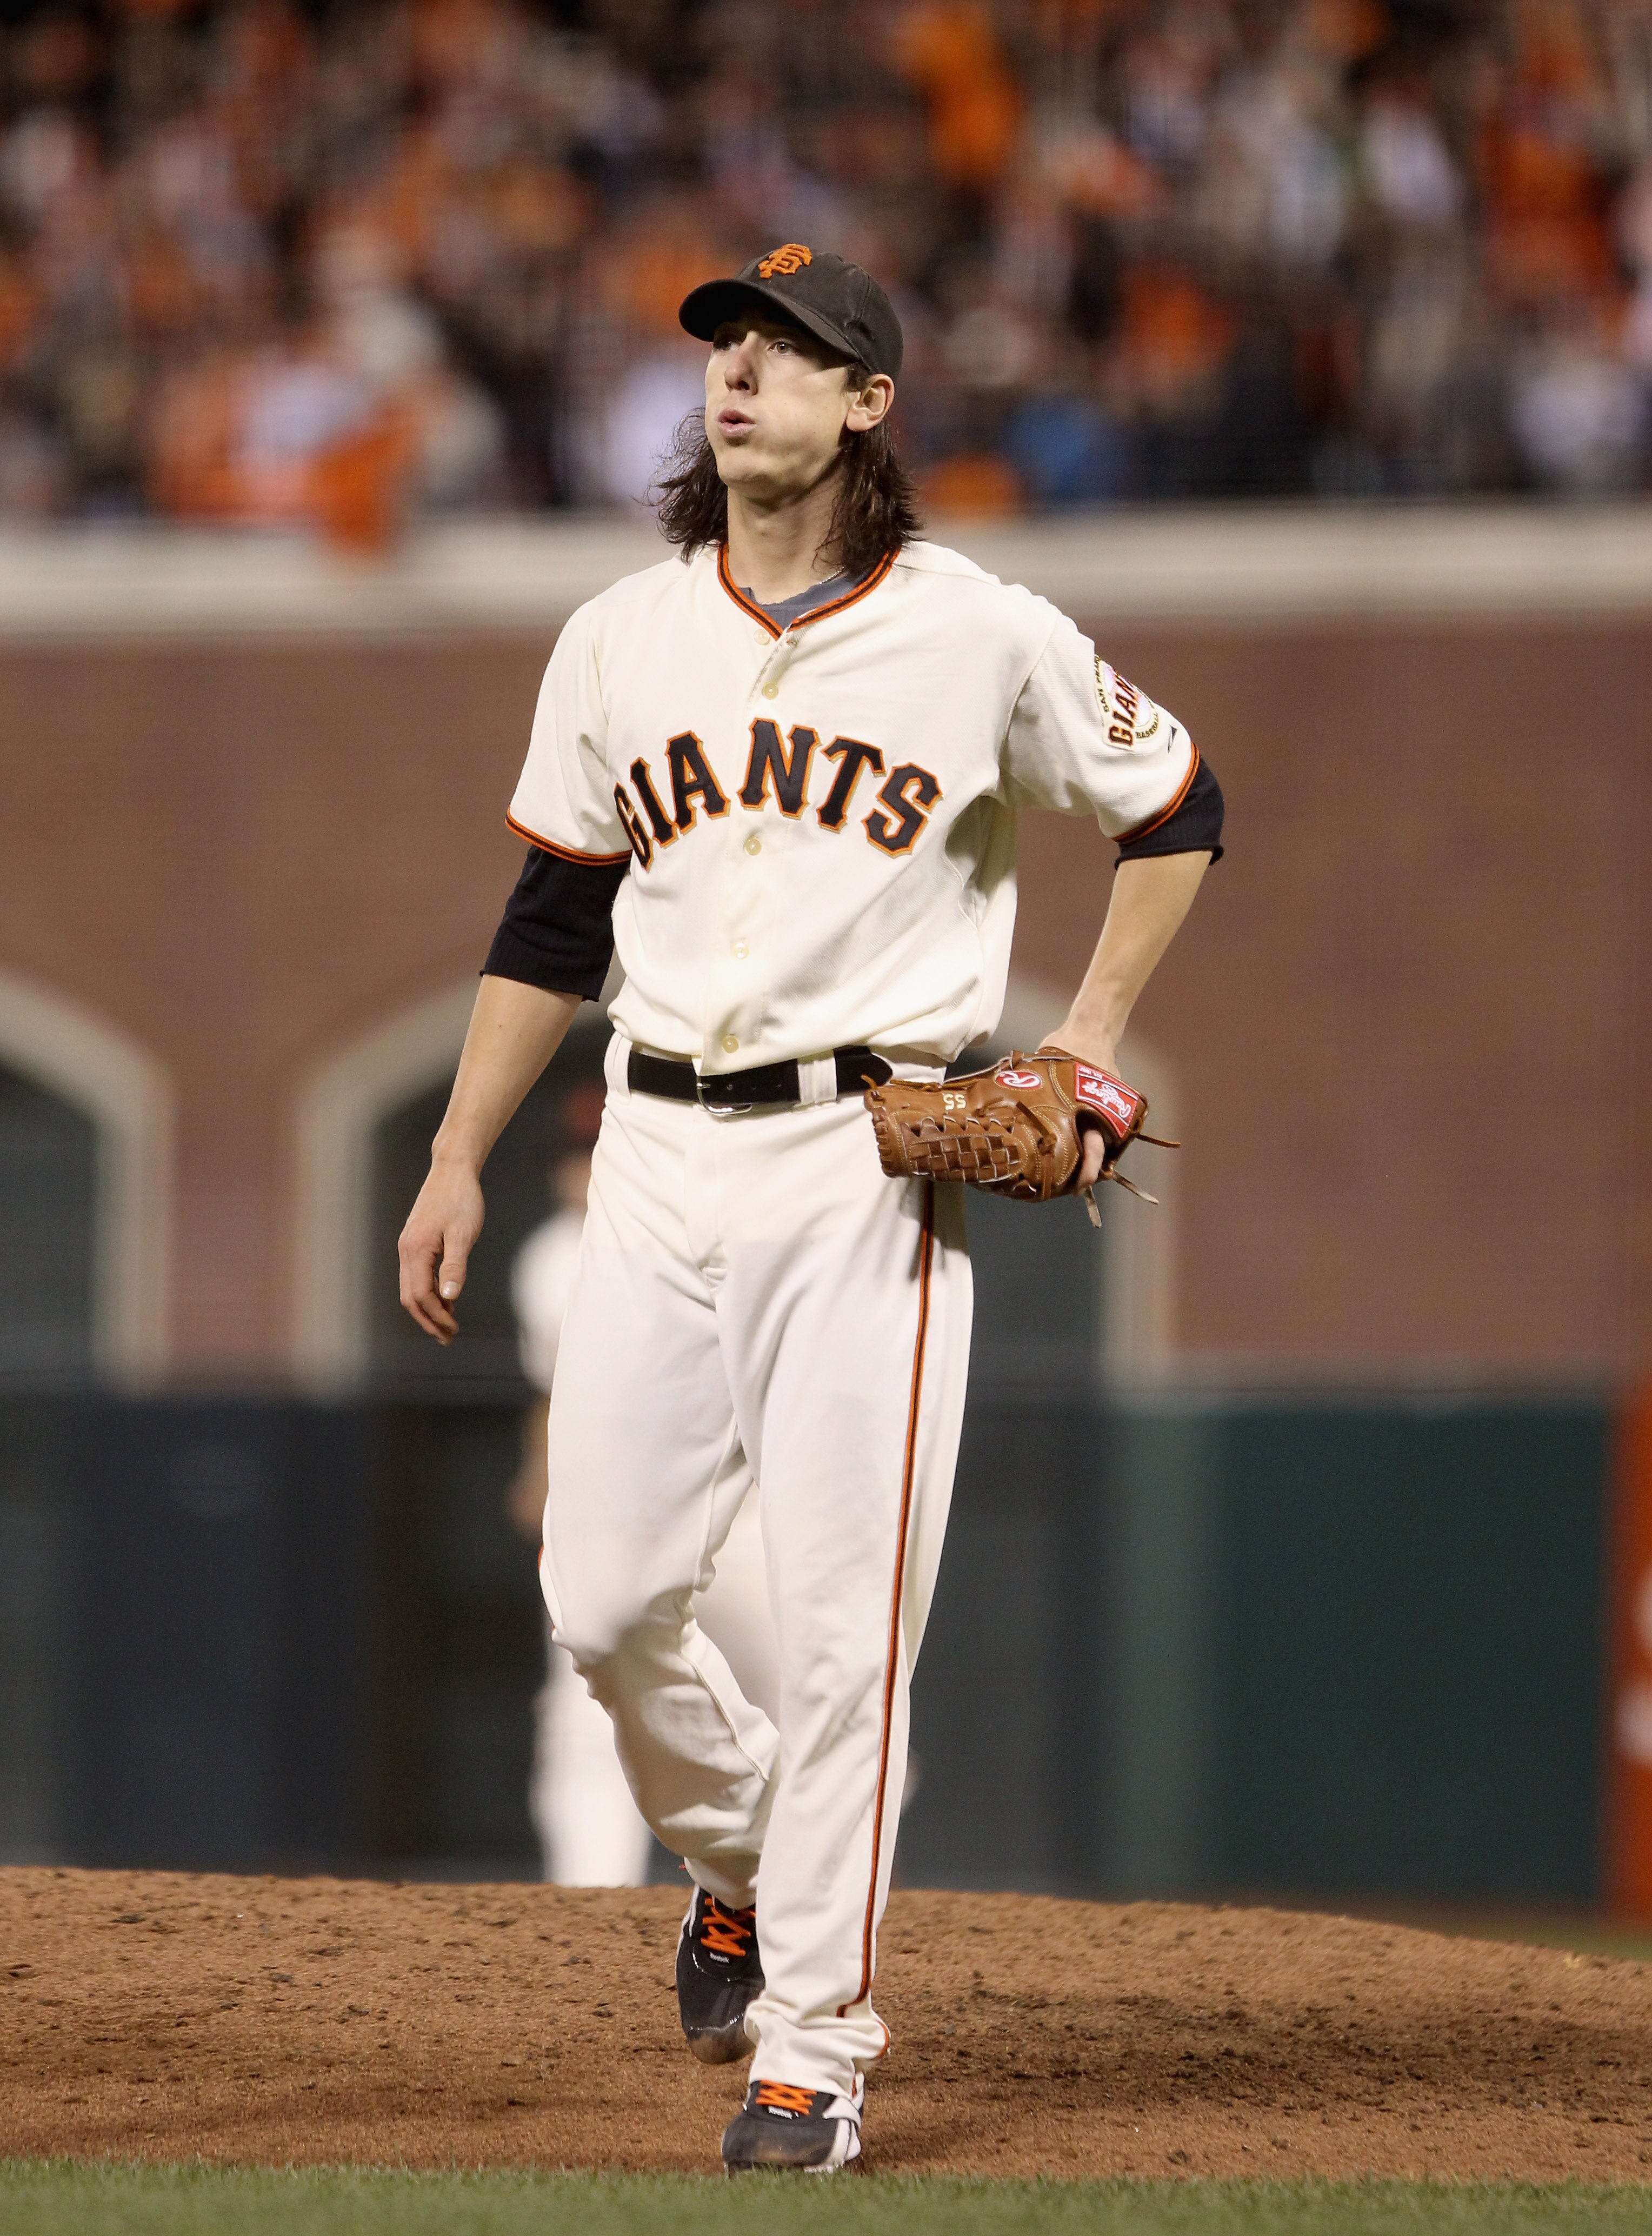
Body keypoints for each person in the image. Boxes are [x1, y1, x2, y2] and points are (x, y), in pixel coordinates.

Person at [399, 242, 1222, 2172]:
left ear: (868, 403)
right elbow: (547, 921)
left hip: (860, 1166)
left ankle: (814, 2054)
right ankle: (740, 1860)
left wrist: (1088, 1035)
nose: (736, 375)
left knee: (846, 1632)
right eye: (721, 348)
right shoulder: (616, 636)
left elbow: (1173, 800)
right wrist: (450, 1149)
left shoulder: (979, 631)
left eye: (785, 352)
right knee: (600, 1599)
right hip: (656, 1154)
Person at [505, 1079, 778, 1885]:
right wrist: (542, 1477)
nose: (580, 1174)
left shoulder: (579, 1252)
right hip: (674, 1509)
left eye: (594, 1154)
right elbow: (556, 1395)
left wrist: (544, 1481)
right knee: (595, 1724)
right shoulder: (563, 1252)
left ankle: (810, 1902)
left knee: (802, 1709)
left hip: (747, 1515)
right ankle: (598, 1913)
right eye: (571, 1157)